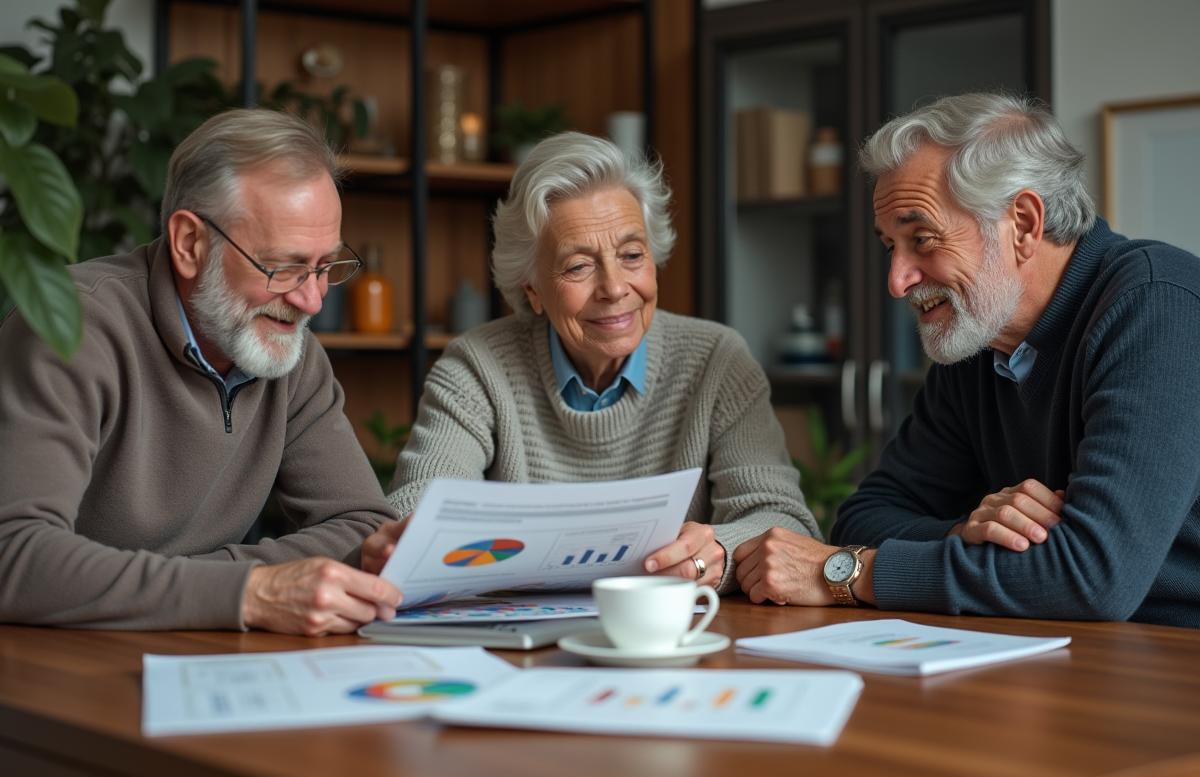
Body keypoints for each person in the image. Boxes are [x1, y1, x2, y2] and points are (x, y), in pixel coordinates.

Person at [732, 92, 1200, 628]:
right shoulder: (978, 340)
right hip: (1065, 652)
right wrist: (965, 531)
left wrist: (849, 574)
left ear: (1022, 224)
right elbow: (863, 517)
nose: (897, 280)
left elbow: (1093, 578)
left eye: (923, 239)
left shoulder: (1157, 304)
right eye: (891, 246)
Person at [0, 109, 406, 634]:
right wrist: (249, 593)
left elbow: (364, 527)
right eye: (282, 267)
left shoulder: (287, 349)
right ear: (190, 244)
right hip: (49, 666)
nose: (312, 300)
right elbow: (14, 555)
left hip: (196, 650)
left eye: (326, 265)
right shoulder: (69, 328)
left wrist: (227, 587)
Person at [370, 132, 820, 591]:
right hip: (518, 640)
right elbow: (418, 506)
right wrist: (413, 538)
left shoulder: (718, 361)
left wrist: (716, 553)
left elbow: (783, 521)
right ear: (532, 291)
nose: (615, 288)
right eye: (578, 266)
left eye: (631, 255)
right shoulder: (477, 366)